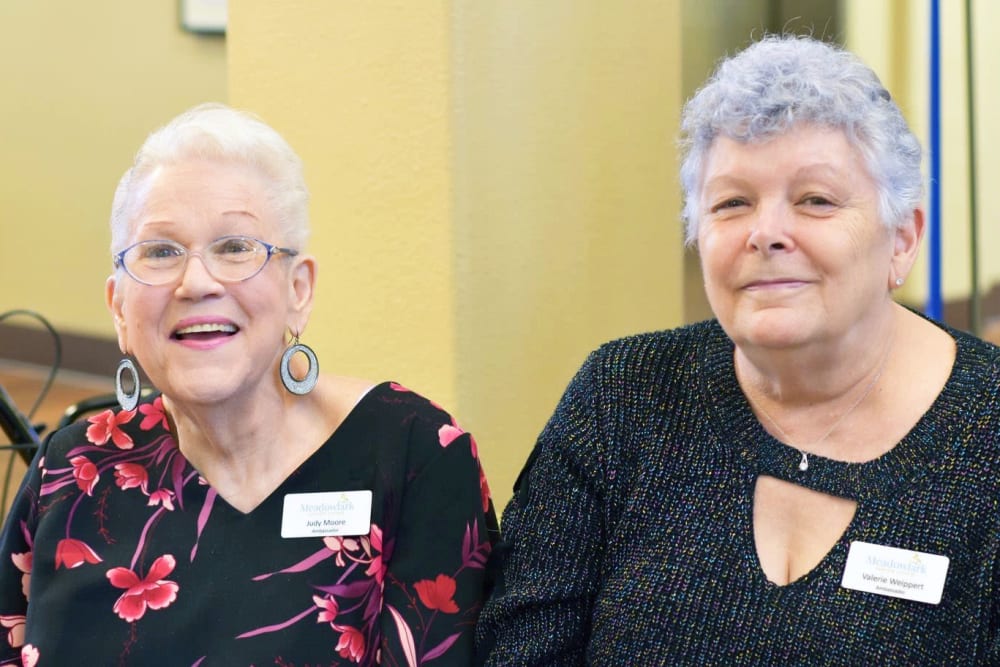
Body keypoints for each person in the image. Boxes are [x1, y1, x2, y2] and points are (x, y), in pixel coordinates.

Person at [476, 35, 1000, 664]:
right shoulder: (620, 398)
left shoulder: (987, 430)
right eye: (732, 203)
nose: (766, 234)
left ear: (902, 240)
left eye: (815, 200)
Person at [0, 104, 498, 666]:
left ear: (298, 290)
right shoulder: (73, 468)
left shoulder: (413, 456)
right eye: (161, 252)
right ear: (118, 307)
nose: (196, 282)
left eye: (235, 247)